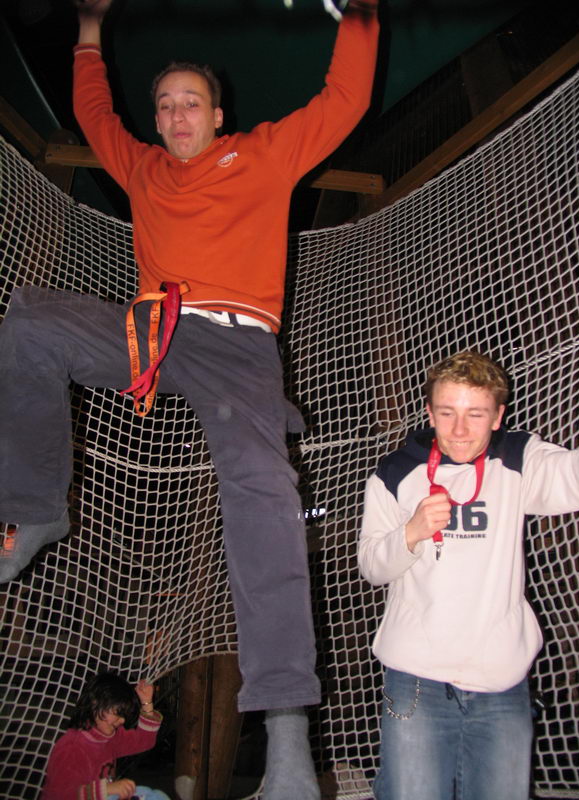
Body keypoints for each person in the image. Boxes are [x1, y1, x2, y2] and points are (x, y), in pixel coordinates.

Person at [0, 0, 379, 796]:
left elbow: (343, 99)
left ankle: (286, 733)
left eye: (191, 103)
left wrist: (362, 14)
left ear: (217, 115)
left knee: (264, 493)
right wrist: (91, 26)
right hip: (156, 331)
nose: (177, 115)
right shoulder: (142, 168)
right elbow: (93, 112)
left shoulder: (263, 154)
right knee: (30, 321)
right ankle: (35, 509)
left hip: (240, 348)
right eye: (166, 103)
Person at [358, 350, 579, 800]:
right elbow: (372, 567)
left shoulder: (519, 458)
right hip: (416, 679)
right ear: (429, 412)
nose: (460, 430)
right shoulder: (396, 471)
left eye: (476, 414)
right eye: (447, 412)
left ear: (498, 416)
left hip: (501, 684)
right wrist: (411, 532)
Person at [41, 671, 168, 800]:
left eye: (124, 715)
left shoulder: (110, 737)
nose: (122, 720)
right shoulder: (71, 747)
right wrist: (106, 789)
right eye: (118, 713)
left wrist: (146, 703)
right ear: (95, 703)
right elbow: (59, 795)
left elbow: (144, 741)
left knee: (154, 795)